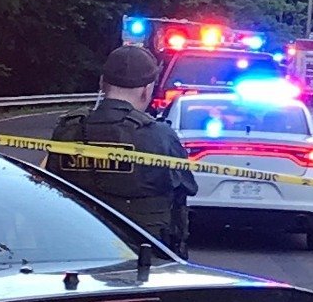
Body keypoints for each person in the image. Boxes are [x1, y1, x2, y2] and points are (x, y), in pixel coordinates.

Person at [45, 45, 198, 259]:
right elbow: (187, 187)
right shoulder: (160, 136)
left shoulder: (68, 129)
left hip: (76, 254)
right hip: (145, 256)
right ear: (147, 89)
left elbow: (47, 185)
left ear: (101, 83)